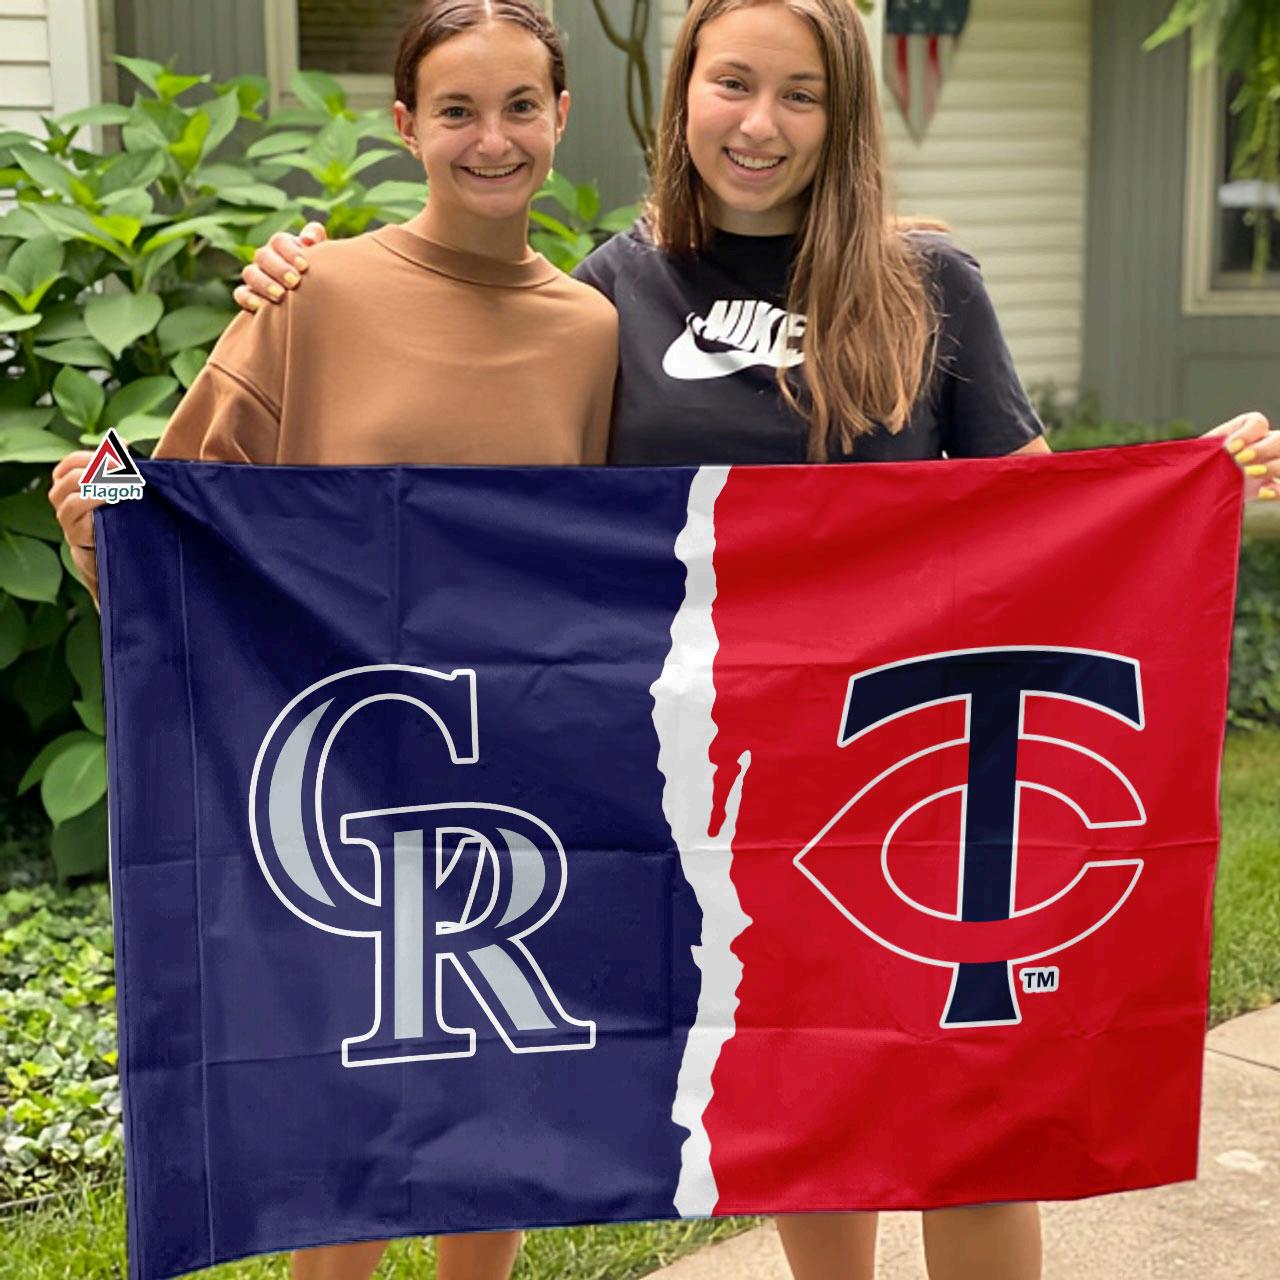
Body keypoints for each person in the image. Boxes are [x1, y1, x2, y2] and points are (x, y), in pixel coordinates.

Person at [228, 2, 1280, 1278]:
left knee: (967, 1123)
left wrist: (1179, 494)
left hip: (911, 766)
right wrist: (302, 287)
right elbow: (524, 510)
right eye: (731, 83)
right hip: (727, 786)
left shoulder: (926, 283)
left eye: (800, 94)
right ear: (683, 94)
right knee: (816, 1103)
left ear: (843, 117)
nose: (759, 124)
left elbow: (1034, 520)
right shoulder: (612, 294)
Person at [47, 4, 617, 1279]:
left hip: (509, 770)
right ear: (403, 124)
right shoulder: (317, 292)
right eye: (456, 111)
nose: (490, 139)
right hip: (332, 773)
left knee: (493, 1089)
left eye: (519, 107)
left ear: (561, 117)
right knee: (348, 1103)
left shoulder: (590, 330)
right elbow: (179, 506)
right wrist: (95, 527)